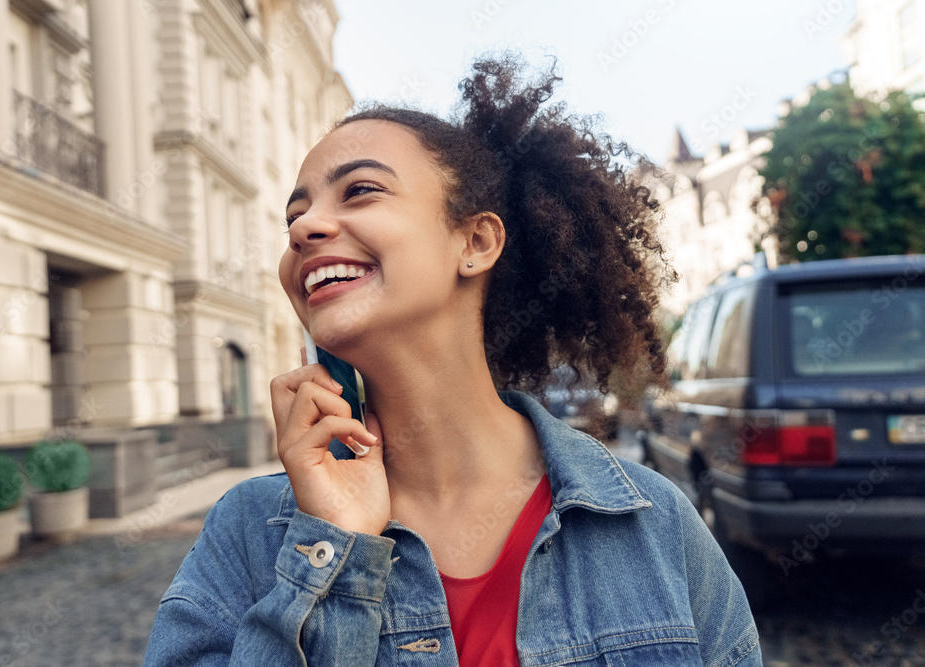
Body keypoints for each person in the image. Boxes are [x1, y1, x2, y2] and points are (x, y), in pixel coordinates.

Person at [144, 57, 762, 666]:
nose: (306, 227)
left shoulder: (653, 525)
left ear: (476, 241)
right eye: (293, 217)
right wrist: (334, 547)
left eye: (359, 190)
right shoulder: (249, 534)